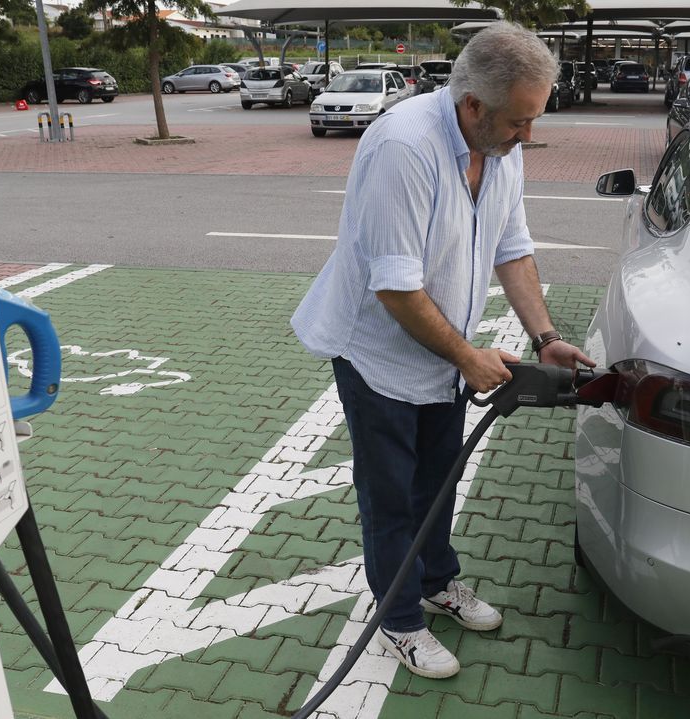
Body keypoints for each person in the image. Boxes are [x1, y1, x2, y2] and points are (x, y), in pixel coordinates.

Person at [290, 22, 595, 680]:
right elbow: (396, 288)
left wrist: (545, 337)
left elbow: (512, 247)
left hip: (444, 354)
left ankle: (435, 582)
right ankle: (399, 619)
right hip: (379, 356)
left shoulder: (499, 146)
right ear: (473, 105)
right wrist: (466, 356)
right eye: (519, 121)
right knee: (391, 495)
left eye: (534, 120)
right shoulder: (403, 147)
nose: (528, 136)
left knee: (438, 480)